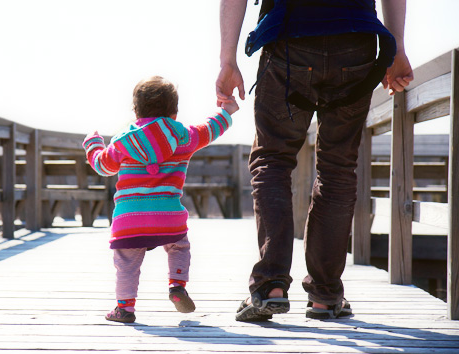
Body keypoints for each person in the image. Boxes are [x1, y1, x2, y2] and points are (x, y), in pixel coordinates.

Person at [216, 0, 414, 321]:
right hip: (356, 41)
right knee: (337, 167)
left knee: (272, 160)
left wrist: (227, 59)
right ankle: (325, 295)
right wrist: (397, 49)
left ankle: (270, 287)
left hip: (289, 39)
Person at [83, 76, 239, 323]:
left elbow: (103, 166)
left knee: (126, 261)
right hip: (169, 217)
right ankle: (177, 285)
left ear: (136, 110)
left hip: (129, 220)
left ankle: (124, 308)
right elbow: (211, 129)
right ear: (174, 111)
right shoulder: (185, 136)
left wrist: (93, 146)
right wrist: (227, 110)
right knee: (179, 246)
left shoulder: (123, 141)